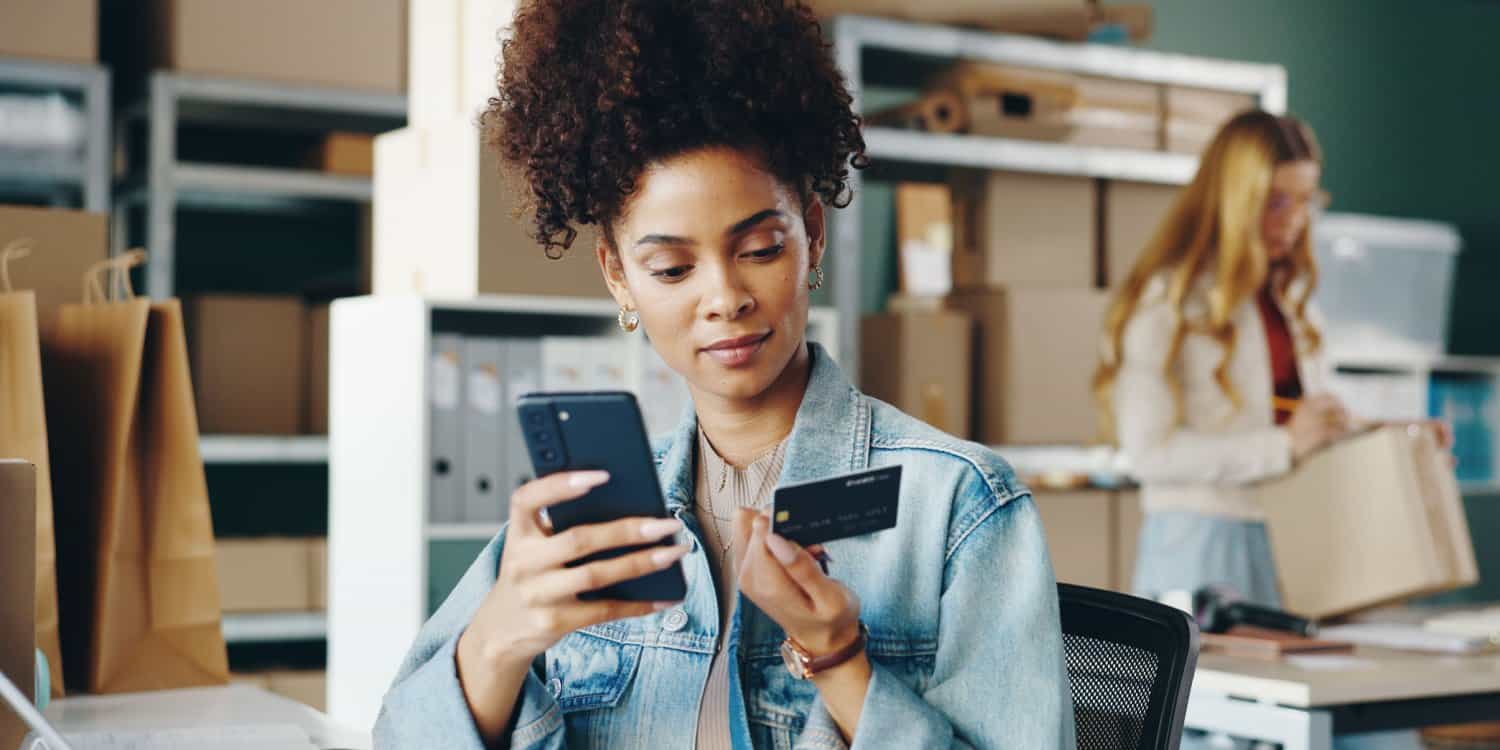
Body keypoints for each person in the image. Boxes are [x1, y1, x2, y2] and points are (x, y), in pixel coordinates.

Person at [374, 2, 1075, 748]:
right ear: (619, 278)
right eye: (671, 268)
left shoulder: (958, 509)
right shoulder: (597, 514)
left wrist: (841, 661)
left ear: (812, 236)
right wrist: (498, 641)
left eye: (762, 249)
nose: (725, 299)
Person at [1095, 110, 1433, 750]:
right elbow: (1148, 452)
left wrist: (1396, 436)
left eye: (1305, 202)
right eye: (1277, 202)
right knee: (1218, 731)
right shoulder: (1169, 300)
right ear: (1234, 198)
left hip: (1289, 539)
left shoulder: (1289, 300)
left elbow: (1307, 421)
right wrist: (1286, 444)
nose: (1293, 220)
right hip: (1202, 547)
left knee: (1341, 726)